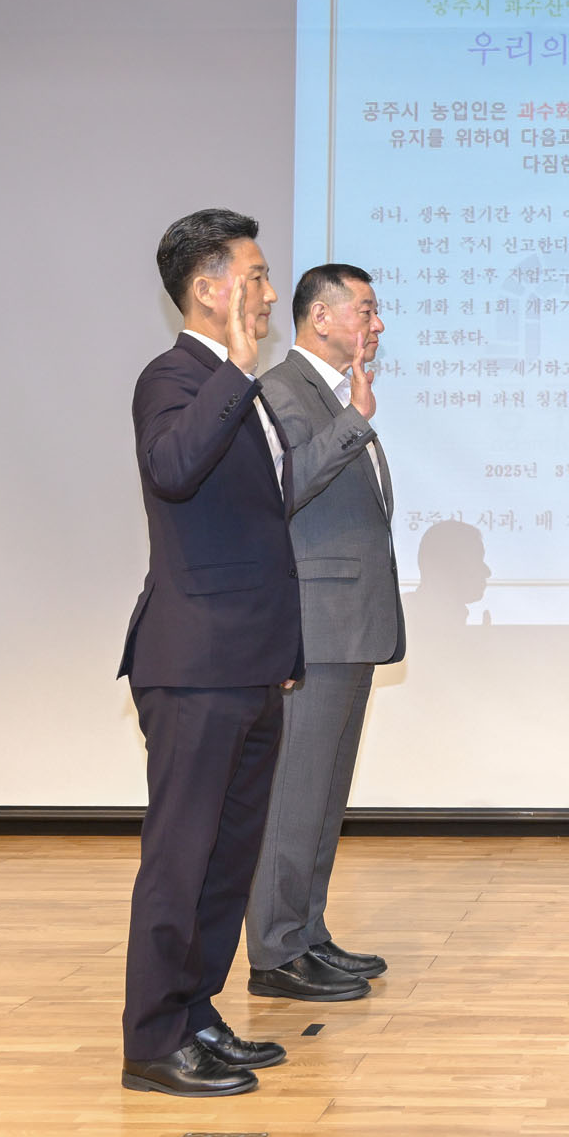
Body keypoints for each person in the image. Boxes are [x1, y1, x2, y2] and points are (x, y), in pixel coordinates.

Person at [117, 208, 304, 1098]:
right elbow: (174, 468)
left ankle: (194, 1014)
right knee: (181, 858)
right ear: (208, 289)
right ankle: (153, 1041)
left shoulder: (238, 385)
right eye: (256, 276)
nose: (269, 292)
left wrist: (283, 650)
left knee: (226, 861)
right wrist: (234, 367)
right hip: (194, 666)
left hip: (249, 662)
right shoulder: (173, 378)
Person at [243, 264, 404, 1003]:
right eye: (365, 311)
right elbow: (286, 485)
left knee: (324, 795)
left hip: (348, 624)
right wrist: (356, 420)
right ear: (320, 318)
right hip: (314, 624)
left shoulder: (332, 393)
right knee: (294, 796)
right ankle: (275, 952)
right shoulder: (282, 390)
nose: (376, 325)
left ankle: (307, 934)